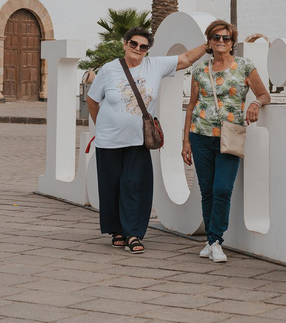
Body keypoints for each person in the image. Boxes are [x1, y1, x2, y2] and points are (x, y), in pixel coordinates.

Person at [86, 26, 206, 255]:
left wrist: (208, 45)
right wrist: (101, 124)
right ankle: (116, 230)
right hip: (108, 140)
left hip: (138, 140)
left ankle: (133, 233)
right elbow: (92, 101)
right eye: (134, 44)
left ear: (147, 50)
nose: (138, 49)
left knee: (134, 186)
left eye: (143, 46)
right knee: (111, 187)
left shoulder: (155, 66)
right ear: (125, 43)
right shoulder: (109, 70)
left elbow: (186, 58)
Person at [181, 20, 271, 263]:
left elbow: (264, 94)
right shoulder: (200, 70)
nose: (221, 41)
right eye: (216, 37)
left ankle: (215, 240)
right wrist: (185, 141)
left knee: (222, 189)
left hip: (230, 136)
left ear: (232, 42)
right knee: (207, 190)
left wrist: (255, 103)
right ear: (209, 42)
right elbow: (191, 106)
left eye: (226, 38)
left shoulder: (244, 66)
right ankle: (212, 241)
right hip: (200, 135)